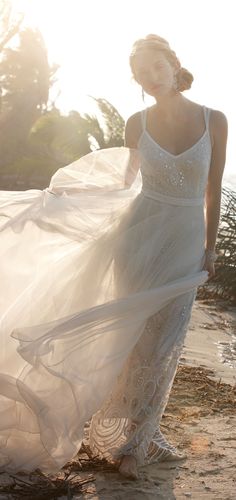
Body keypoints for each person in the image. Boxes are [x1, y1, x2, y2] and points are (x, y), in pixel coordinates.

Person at [0, 34, 227, 480]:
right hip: (137, 238)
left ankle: (138, 439)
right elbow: (124, 186)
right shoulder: (135, 123)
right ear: (137, 80)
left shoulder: (214, 119)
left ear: (173, 64)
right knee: (131, 340)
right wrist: (66, 201)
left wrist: (211, 245)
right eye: (141, 72)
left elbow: (212, 189)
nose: (150, 76)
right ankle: (124, 438)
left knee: (165, 344)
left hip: (183, 240)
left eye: (156, 66)